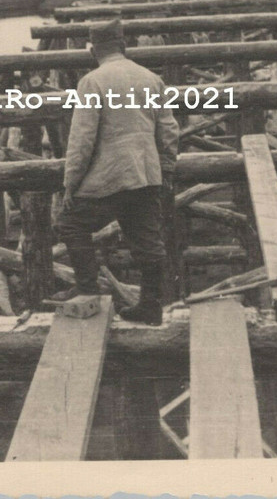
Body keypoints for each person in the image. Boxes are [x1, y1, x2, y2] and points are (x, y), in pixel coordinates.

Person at [55, 18, 181, 325]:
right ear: (124, 46)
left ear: (92, 51)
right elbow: (168, 131)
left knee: (70, 224)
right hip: (145, 175)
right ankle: (150, 306)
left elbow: (82, 140)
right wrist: (165, 171)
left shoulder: (92, 82)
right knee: (147, 241)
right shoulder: (151, 79)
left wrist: (71, 184)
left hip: (108, 178)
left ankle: (88, 292)